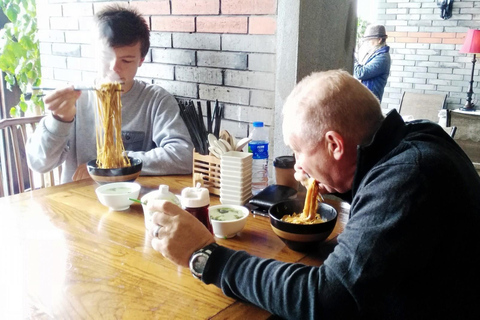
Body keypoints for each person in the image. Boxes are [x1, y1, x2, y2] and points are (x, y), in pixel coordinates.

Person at [147, 70, 480, 319]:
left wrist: (205, 254)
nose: (297, 165)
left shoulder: (411, 177)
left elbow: (325, 298)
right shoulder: (417, 139)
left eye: (298, 151)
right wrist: (336, 181)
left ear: (334, 144)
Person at [26, 5, 193, 183]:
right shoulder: (75, 99)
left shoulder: (156, 100)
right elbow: (38, 163)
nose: (114, 69)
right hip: (76, 199)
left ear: (141, 60)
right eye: (106, 57)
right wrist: (59, 120)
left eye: (126, 60)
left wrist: (112, 162)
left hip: (130, 200)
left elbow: (183, 155)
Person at [354, 24, 391, 102]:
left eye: (370, 39)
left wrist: (352, 60)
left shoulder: (382, 58)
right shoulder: (375, 53)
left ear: (379, 40)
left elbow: (361, 73)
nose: (368, 42)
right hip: (366, 100)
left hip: (369, 103)